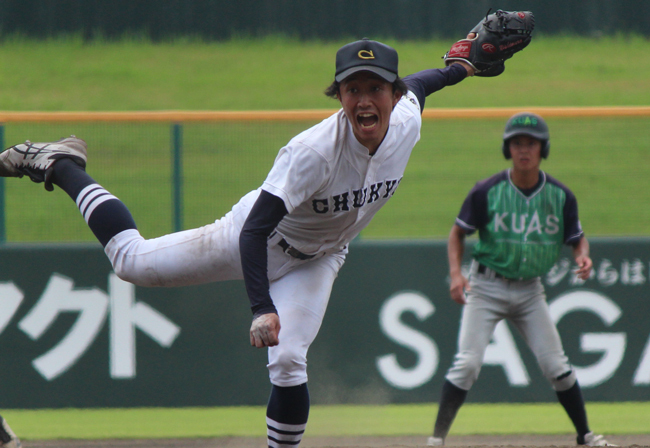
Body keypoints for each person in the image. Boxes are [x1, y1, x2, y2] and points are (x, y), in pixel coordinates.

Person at [0, 37, 480, 447]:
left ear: (393, 96)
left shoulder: (406, 120)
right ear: (339, 96)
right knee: (130, 262)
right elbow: (254, 231)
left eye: (375, 87)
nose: (364, 99)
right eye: (352, 89)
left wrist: (461, 66)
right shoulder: (312, 152)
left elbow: (422, 83)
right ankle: (62, 164)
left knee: (289, 359)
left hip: (321, 256)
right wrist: (261, 307)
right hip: (255, 236)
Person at [427, 112, 614, 447]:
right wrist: (456, 274)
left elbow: (576, 238)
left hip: (530, 291)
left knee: (556, 365)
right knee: (467, 364)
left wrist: (582, 256)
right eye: (517, 142)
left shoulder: (560, 195)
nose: (524, 149)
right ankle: (436, 440)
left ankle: (585, 436)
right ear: (507, 148)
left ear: (543, 148)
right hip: (486, 286)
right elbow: (457, 234)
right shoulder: (487, 191)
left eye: (531, 143)